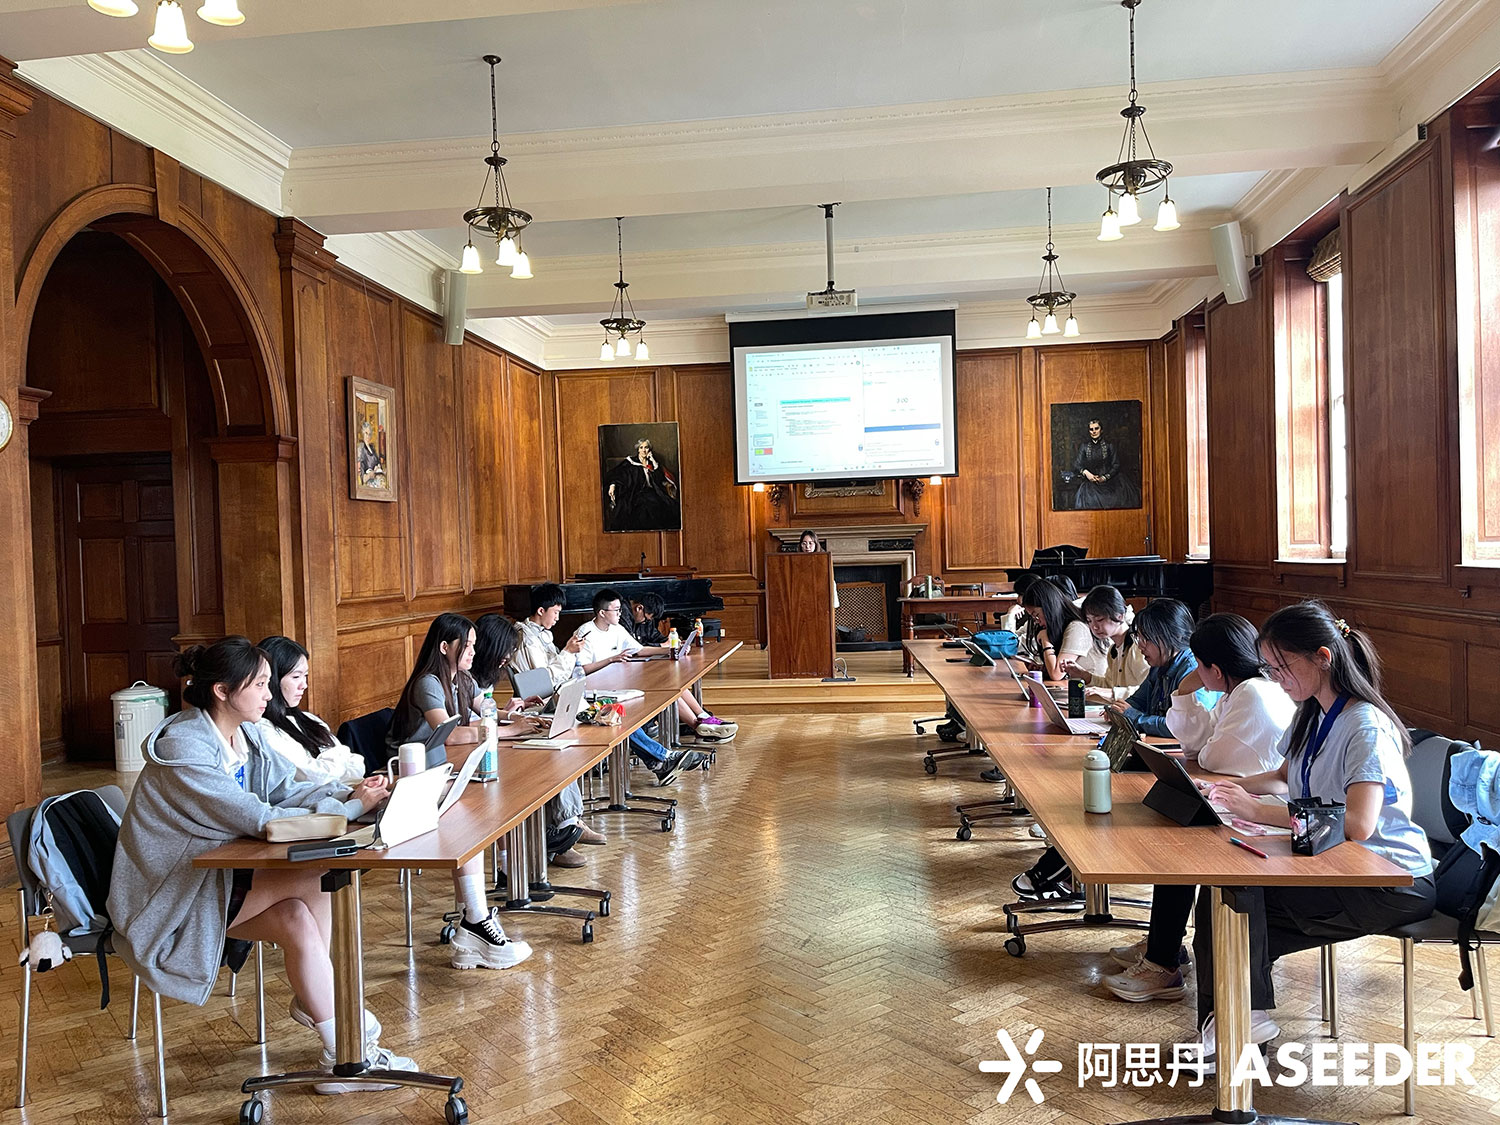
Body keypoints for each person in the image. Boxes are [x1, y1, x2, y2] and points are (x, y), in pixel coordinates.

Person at [107, 637, 415, 1092]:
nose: (270, 695)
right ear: (222, 691)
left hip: (213, 876)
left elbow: (286, 791)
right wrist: (350, 811)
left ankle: (342, 1054)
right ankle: (334, 1022)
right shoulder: (185, 747)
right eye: (260, 685)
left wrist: (348, 795)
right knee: (318, 873)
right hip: (169, 897)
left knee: (298, 915)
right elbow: (259, 818)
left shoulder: (245, 734)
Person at [1189, 603, 1435, 1064]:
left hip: (1387, 879)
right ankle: (1238, 1024)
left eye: (1281, 666)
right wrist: (1221, 789)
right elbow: (1283, 775)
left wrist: (1259, 812)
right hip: (1333, 861)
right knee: (1226, 907)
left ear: (1322, 658)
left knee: (1236, 913)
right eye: (1269, 667)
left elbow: (1359, 825)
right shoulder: (1312, 712)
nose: (1275, 678)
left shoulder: (1364, 725)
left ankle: (1236, 1027)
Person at [1100, 613, 1295, 1003]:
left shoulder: (1254, 695)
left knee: (1179, 846)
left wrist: (1198, 734)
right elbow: (1197, 746)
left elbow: (1208, 755)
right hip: (1246, 799)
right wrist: (1187, 690)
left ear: (1217, 670)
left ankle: (1163, 961)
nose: (1195, 671)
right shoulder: (1238, 691)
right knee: (1174, 823)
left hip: (1268, 814)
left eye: (1200, 665)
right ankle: (1165, 947)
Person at [388, 614, 535, 970]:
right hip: (411, 782)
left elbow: (484, 714)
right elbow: (451, 734)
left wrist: (514, 718)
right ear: (444, 647)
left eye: (473, 644)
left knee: (494, 796)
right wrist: (509, 731)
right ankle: (475, 921)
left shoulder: (462, 679)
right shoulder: (428, 683)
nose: (473, 651)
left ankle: (473, 919)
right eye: (466, 645)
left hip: (442, 772)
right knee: (470, 816)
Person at [518, 584, 705, 787]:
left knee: (617, 712)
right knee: (610, 715)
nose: (557, 618)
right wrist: (568, 652)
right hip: (551, 703)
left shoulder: (542, 634)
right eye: (555, 612)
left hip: (567, 694)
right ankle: (662, 758)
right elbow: (545, 681)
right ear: (541, 611)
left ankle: (660, 760)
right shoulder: (528, 639)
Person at [472, 611, 598, 869]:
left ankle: (566, 826)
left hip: (490, 739)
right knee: (543, 760)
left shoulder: (484, 674)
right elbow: (465, 725)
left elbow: (483, 711)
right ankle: (557, 837)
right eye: (504, 652)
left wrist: (510, 712)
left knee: (557, 749)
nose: (507, 659)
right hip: (478, 750)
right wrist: (510, 726)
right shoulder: (465, 677)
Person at [575, 588, 734, 747]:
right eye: (616, 610)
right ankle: (699, 726)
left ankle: (703, 717)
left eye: (619, 610)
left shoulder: (616, 629)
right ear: (602, 613)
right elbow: (583, 670)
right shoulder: (586, 633)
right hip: (600, 687)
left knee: (670, 682)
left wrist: (671, 650)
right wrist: (611, 659)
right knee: (664, 689)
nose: (620, 614)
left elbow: (639, 649)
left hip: (620, 680)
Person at [254, 636, 368, 787]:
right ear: (272, 680)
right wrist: (338, 759)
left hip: (349, 791)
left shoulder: (309, 719)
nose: (304, 685)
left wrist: (329, 763)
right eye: (296, 677)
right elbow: (317, 777)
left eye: (305, 676)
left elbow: (358, 765)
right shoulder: (264, 730)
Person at [1105, 599, 1197, 738]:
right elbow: (1137, 701)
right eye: (1138, 638)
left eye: (1146, 639)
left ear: (1175, 635)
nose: (1140, 646)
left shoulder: (1193, 670)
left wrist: (1133, 717)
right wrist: (1117, 710)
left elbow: (1181, 727)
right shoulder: (1159, 665)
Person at [1073, 585, 1146, 702]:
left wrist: (1112, 693)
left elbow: (1147, 691)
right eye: (1089, 621)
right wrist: (1085, 676)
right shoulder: (1113, 650)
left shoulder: (1138, 648)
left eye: (1099, 619)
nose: (1094, 627)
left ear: (1120, 616)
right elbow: (1110, 685)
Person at [1019, 578, 1092, 683]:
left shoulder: (1077, 627)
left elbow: (1056, 674)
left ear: (1048, 607)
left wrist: (1045, 640)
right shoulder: (1060, 627)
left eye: (1036, 615)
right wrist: (1044, 669)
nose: (1036, 622)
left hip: (1091, 690)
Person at [603, 437, 679, 532]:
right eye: (641, 447)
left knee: (663, 506)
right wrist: (613, 484)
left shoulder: (652, 463)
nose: (644, 450)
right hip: (635, 492)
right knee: (642, 507)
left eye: (646, 447)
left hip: (651, 491)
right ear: (638, 450)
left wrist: (653, 460)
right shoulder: (631, 462)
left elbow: (659, 479)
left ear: (649, 449)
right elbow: (618, 474)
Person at [1070, 418, 1141, 510]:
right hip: (1092, 482)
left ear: (1101, 430)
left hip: (1111, 482)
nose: (1094, 431)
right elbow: (1077, 464)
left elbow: (1116, 464)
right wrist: (1087, 473)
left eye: (1096, 428)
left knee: (1119, 498)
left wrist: (1105, 477)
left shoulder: (1109, 445)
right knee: (1086, 499)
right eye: (1091, 429)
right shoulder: (1084, 446)